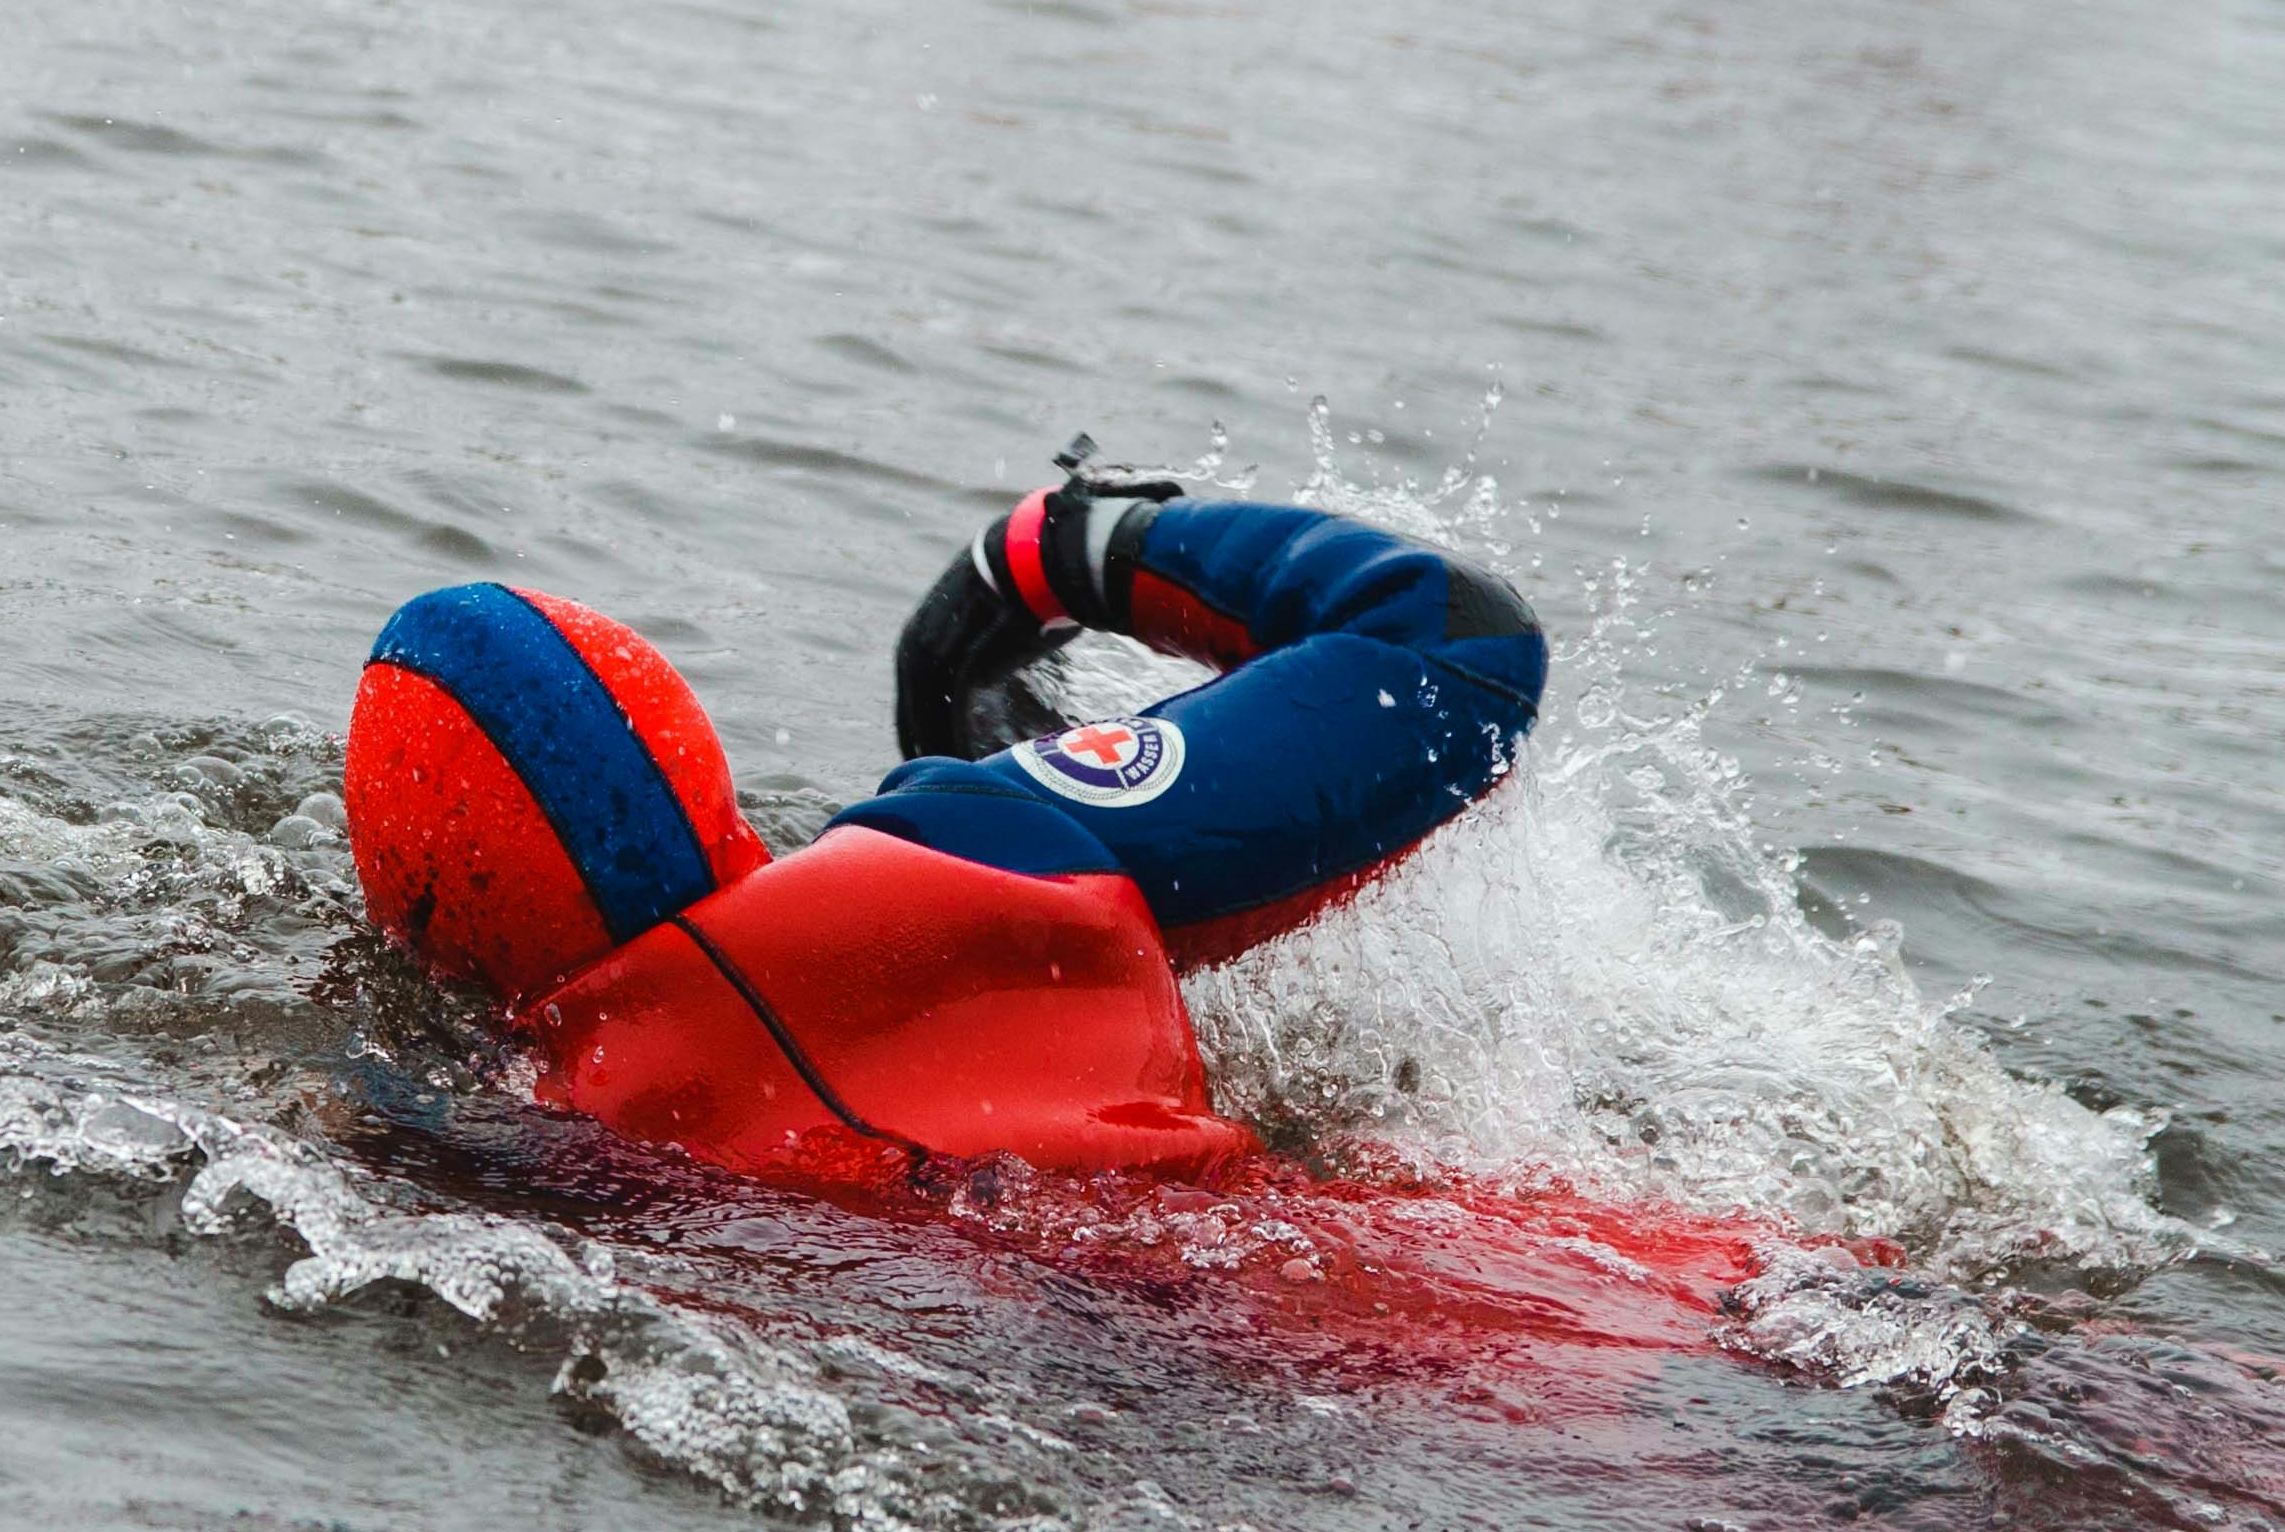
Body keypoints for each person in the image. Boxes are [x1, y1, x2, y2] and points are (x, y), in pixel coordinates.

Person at [341, 443, 1547, 1197]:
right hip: (1537, 1337)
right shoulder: (950, 856)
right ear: (679, 756)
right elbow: (1455, 643)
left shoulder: (531, 1119)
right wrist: (1055, 553)